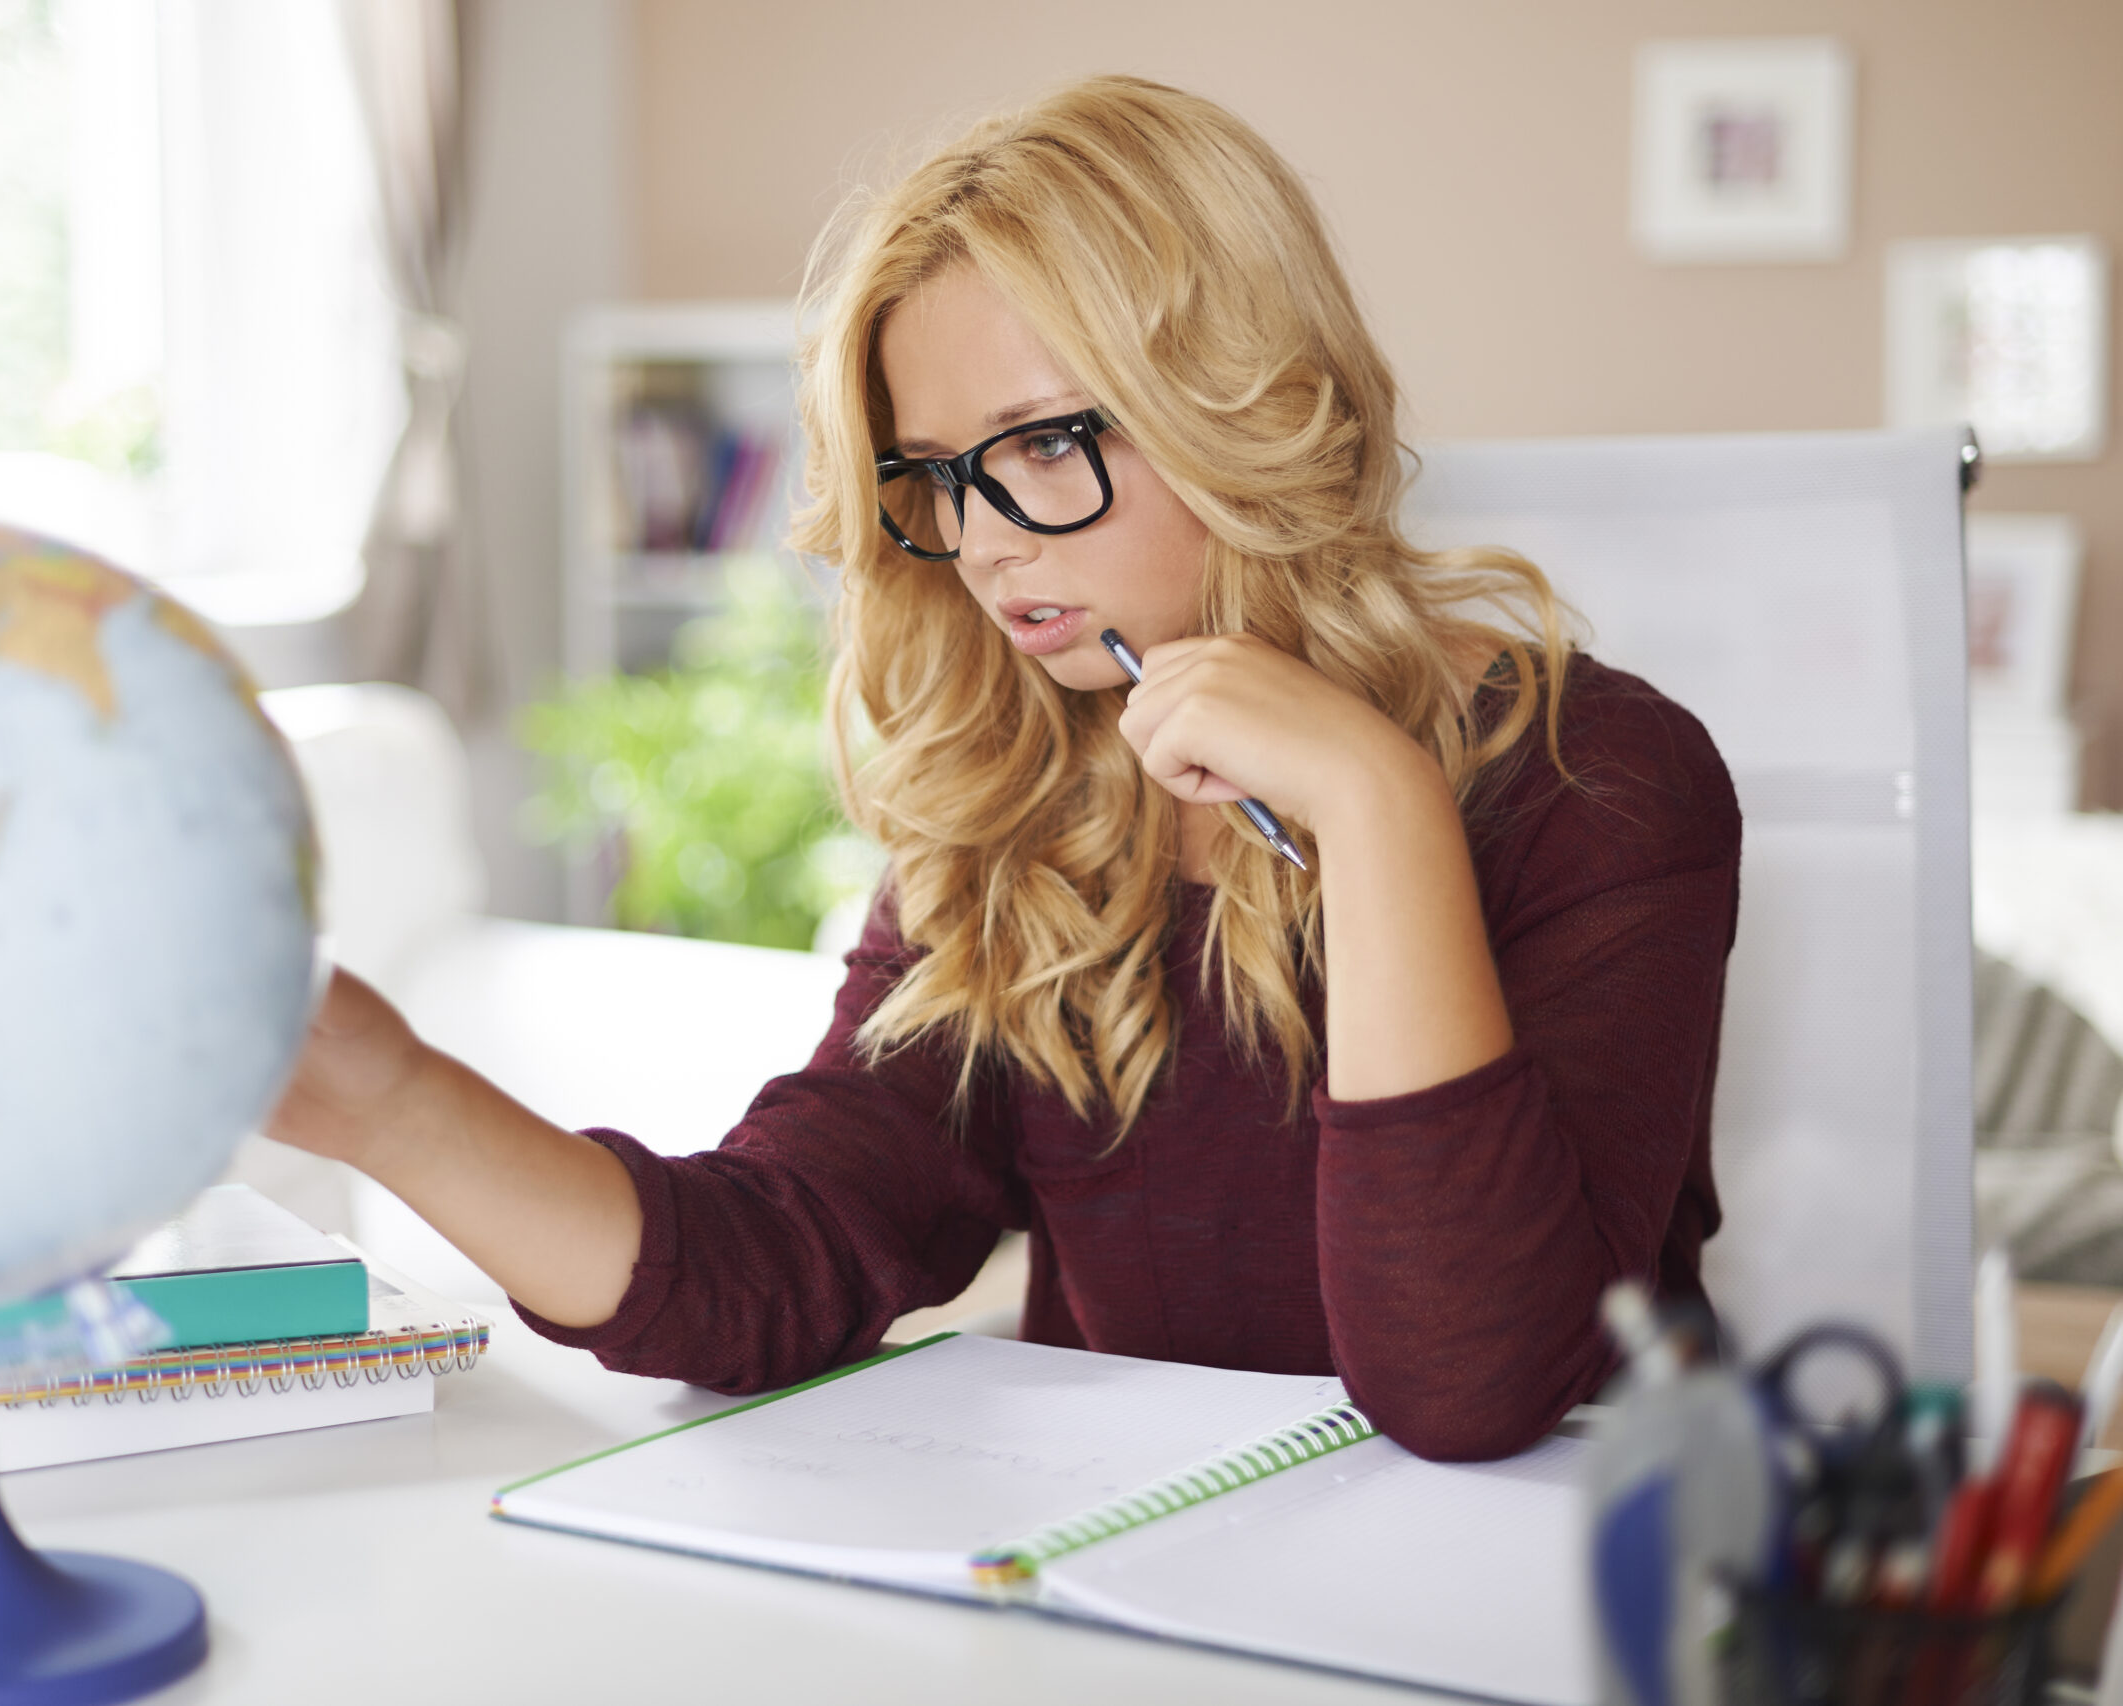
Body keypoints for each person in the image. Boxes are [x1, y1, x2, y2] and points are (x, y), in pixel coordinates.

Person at [266, 75, 1740, 1462]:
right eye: (937, 475)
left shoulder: (1601, 781)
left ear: (1247, 404)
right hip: (1144, 1583)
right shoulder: (1026, 807)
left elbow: (1472, 1385)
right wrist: (392, 1099)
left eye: (1040, 445)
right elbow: (779, 1251)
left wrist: (1375, 806)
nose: (980, 541)